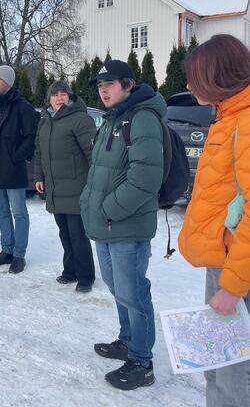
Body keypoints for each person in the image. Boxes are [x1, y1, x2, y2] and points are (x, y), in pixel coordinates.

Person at [80, 60, 165, 390]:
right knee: (118, 290)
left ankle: (142, 362)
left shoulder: (142, 118)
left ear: (128, 85)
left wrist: (107, 210)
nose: (103, 89)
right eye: (100, 85)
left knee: (134, 293)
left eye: (110, 83)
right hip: (107, 223)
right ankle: (127, 340)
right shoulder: (111, 118)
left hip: (126, 225)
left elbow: (145, 179)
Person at [178, 34, 250, 407]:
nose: (189, 85)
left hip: (239, 274)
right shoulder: (228, 117)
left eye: (195, 77)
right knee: (218, 363)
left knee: (235, 374)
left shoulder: (246, 122)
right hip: (224, 262)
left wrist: (234, 286)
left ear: (218, 76)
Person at [33, 81, 96, 292]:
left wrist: (95, 185)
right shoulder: (45, 121)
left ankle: (86, 276)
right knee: (64, 233)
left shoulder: (80, 120)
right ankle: (70, 271)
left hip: (77, 188)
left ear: (70, 97)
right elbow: (39, 153)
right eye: (55, 94)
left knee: (78, 235)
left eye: (63, 94)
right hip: (55, 188)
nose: (59, 98)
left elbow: (92, 155)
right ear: (49, 99)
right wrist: (38, 177)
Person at [0, 65, 38, 274]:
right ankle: (7, 250)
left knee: (19, 213)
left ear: (9, 83)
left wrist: (16, 156)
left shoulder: (22, 106)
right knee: (1, 211)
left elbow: (32, 136)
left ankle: (19, 255)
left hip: (12, 169)